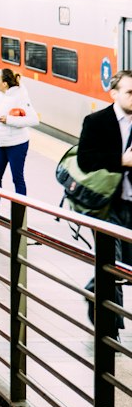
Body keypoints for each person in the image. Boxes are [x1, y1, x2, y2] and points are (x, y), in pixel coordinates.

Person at [77, 69, 132, 326]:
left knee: (123, 264)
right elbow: (85, 161)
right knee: (114, 262)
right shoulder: (96, 121)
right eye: (130, 93)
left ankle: (93, 288)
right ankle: (111, 328)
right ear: (114, 94)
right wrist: (121, 161)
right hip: (107, 206)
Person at [0, 69, 37, 213]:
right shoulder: (0, 94)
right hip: (0, 142)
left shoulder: (20, 95)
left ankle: (19, 215)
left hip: (17, 144)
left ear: (5, 83)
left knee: (17, 179)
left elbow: (34, 120)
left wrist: (10, 120)